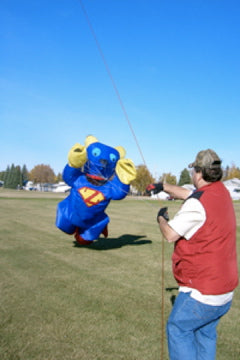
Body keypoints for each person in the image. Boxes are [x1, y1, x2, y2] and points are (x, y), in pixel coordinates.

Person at [146, 149, 239, 360]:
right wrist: (164, 187)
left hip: (203, 291)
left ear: (198, 172)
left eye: (195, 171)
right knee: (205, 333)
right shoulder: (221, 192)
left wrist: (161, 218)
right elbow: (191, 194)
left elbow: (170, 234)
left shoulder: (197, 204)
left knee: (178, 328)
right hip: (225, 291)